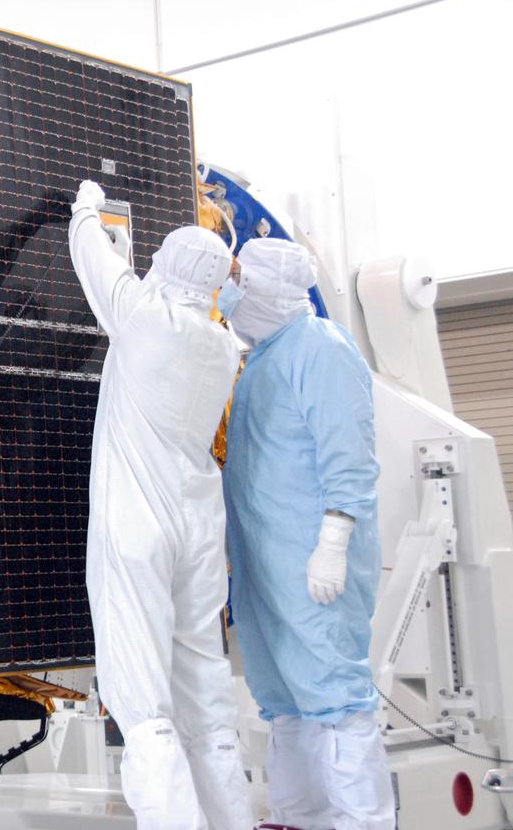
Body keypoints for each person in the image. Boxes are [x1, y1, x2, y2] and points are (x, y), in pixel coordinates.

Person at [68, 180, 252, 830]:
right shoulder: (220, 344)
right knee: (207, 712)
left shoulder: (144, 318)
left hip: (140, 533)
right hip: (198, 535)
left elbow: (93, 262)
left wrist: (86, 208)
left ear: (165, 268)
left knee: (144, 708)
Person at [222, 237, 393, 830]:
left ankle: (363, 822)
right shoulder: (261, 359)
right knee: (286, 699)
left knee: (336, 698)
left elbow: (349, 457)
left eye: (241, 281)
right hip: (267, 566)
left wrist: (335, 542)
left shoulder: (319, 348)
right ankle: (299, 818)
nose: (231, 293)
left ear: (270, 288)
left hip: (312, 563)